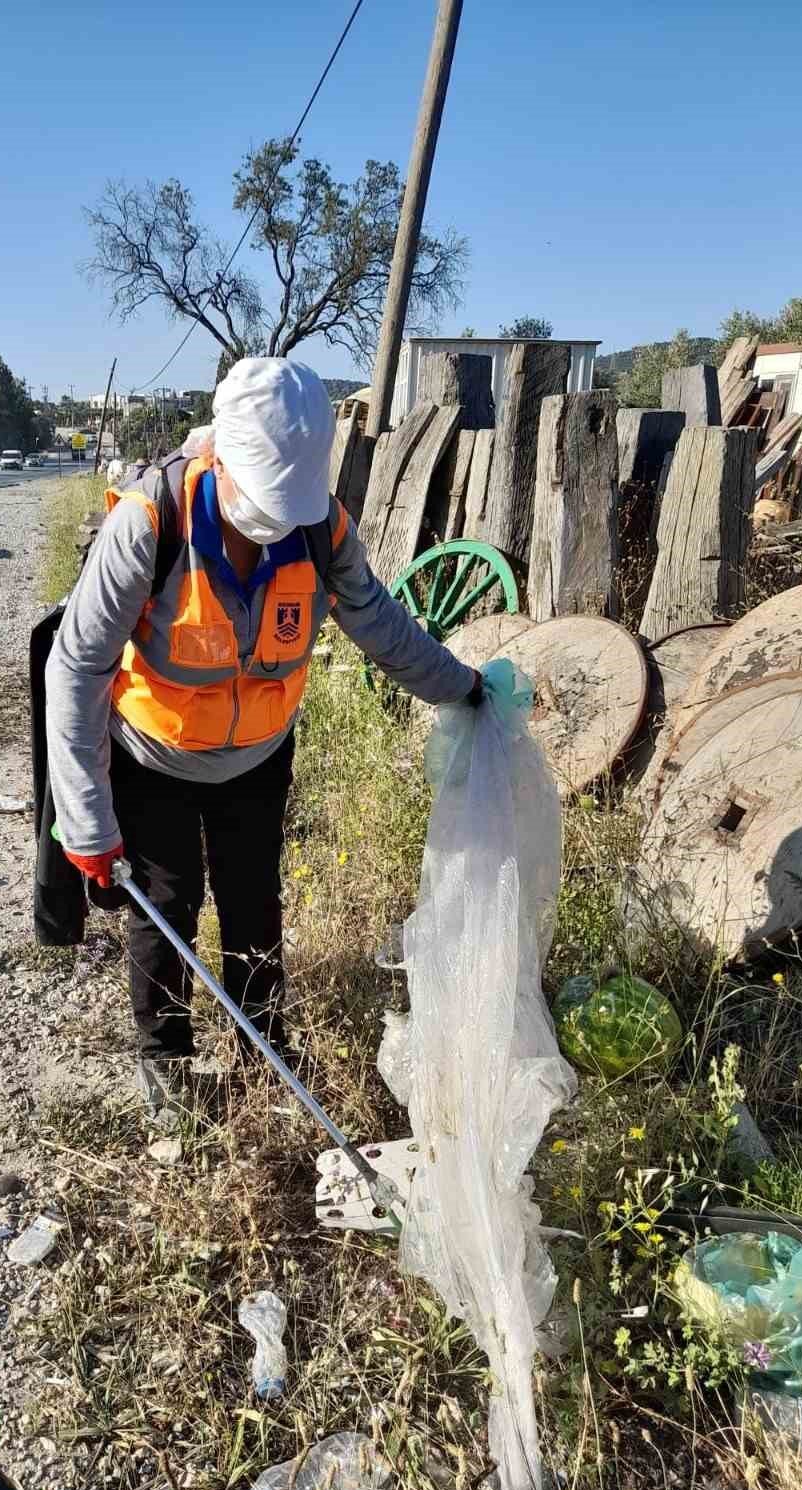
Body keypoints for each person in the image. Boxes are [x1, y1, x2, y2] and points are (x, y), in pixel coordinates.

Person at [46, 358, 480, 1112]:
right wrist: (86, 819)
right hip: (157, 756)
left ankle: (264, 1053)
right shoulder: (149, 522)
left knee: (254, 900)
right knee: (166, 904)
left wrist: (465, 688)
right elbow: (76, 666)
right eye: (264, 498)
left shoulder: (320, 531)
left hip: (259, 758)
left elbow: (380, 625)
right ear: (223, 458)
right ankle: (169, 1071)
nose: (277, 519)